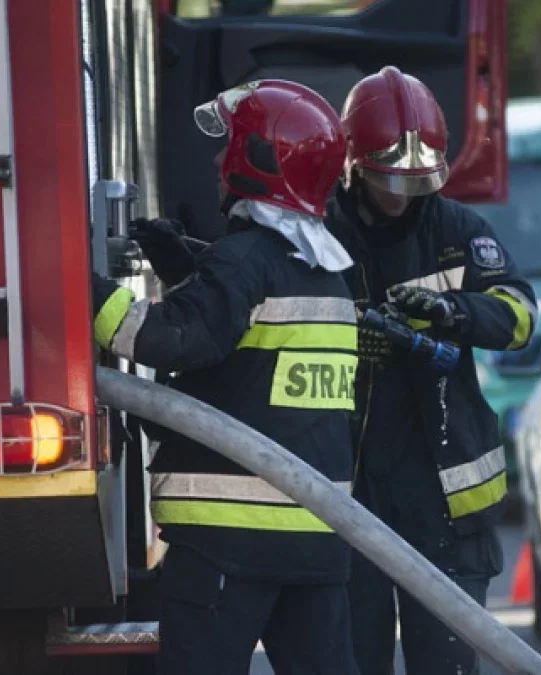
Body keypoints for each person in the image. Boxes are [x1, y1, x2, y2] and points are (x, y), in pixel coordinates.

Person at [91, 79, 360, 675]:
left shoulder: (242, 263)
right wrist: (189, 271)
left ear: (258, 161)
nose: (217, 159)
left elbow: (170, 339)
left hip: (227, 544)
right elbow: (247, 354)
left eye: (230, 146)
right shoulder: (326, 275)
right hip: (317, 543)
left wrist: (83, 290)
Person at [326, 65, 537, 675]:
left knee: (444, 661)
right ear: (354, 163)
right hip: (351, 487)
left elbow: (517, 315)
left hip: (445, 496)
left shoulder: (458, 231)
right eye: (388, 179)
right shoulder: (320, 234)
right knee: (353, 660)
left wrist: (453, 312)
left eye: (414, 181)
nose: (401, 195)